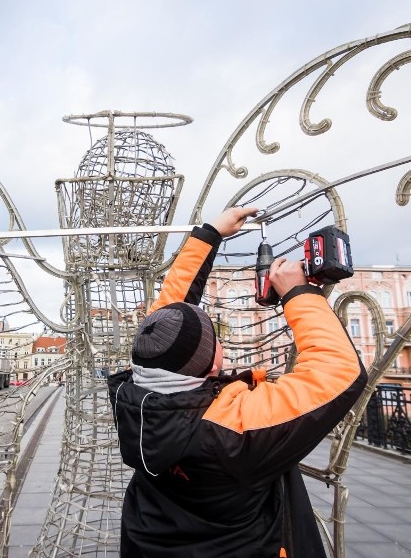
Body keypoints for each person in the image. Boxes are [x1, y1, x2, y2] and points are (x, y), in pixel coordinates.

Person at [108, 207, 367, 557]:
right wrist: (298, 294)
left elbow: (169, 318)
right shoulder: (231, 431)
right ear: (215, 360)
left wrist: (210, 234)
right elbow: (338, 371)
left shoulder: (138, 395)